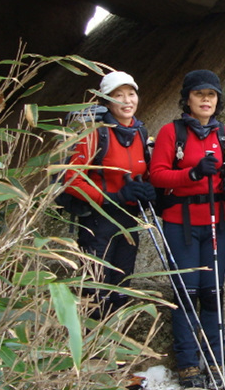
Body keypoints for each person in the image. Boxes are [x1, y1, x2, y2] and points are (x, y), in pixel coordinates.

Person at [149, 69, 225, 390]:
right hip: (182, 222)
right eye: (200, 94)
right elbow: (157, 175)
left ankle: (214, 359)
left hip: (217, 220)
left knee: (212, 293)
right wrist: (191, 174)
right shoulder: (170, 132)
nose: (206, 99)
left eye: (212, 94)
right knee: (186, 294)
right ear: (187, 98)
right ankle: (188, 364)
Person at [62, 71, 157, 319]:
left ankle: (114, 347)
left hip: (129, 219)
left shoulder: (139, 132)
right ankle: (90, 348)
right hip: (98, 220)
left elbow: (142, 171)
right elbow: (71, 179)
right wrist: (111, 196)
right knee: (95, 287)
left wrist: (147, 190)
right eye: (118, 95)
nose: (127, 101)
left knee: (121, 286)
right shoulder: (96, 132)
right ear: (106, 100)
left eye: (131, 94)